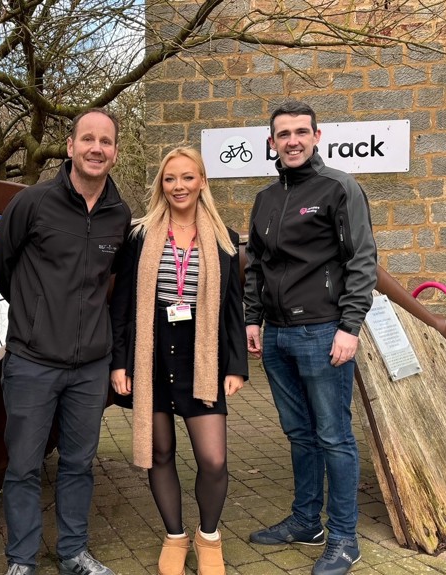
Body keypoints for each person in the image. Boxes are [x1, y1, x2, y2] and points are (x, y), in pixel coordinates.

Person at [0, 108, 132, 575]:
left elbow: (111, 283)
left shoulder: (118, 213)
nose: (96, 148)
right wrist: (34, 312)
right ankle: (22, 560)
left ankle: (73, 553)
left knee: (78, 464)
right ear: (69, 147)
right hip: (32, 362)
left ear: (114, 151)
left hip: (91, 364)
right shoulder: (34, 202)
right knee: (24, 467)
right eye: (86, 139)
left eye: (105, 141)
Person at [244, 100, 377, 575]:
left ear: (317, 136)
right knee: (299, 434)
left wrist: (350, 326)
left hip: (324, 334)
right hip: (277, 337)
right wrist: (252, 318)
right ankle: (306, 522)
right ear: (272, 142)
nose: (293, 140)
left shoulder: (339, 187)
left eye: (302, 132)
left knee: (334, 437)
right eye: (284, 134)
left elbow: (362, 259)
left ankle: (344, 538)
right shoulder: (264, 199)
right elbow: (257, 265)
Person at [110, 147, 247, 575]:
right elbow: (122, 304)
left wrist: (236, 364)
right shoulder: (140, 235)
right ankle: (174, 536)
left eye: (188, 177)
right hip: (151, 355)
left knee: (213, 460)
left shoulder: (224, 237)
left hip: (201, 357)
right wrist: (119, 363)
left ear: (202, 181)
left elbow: (232, 307)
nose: (179, 186)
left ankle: (208, 537)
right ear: (161, 186)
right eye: (170, 179)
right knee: (161, 453)